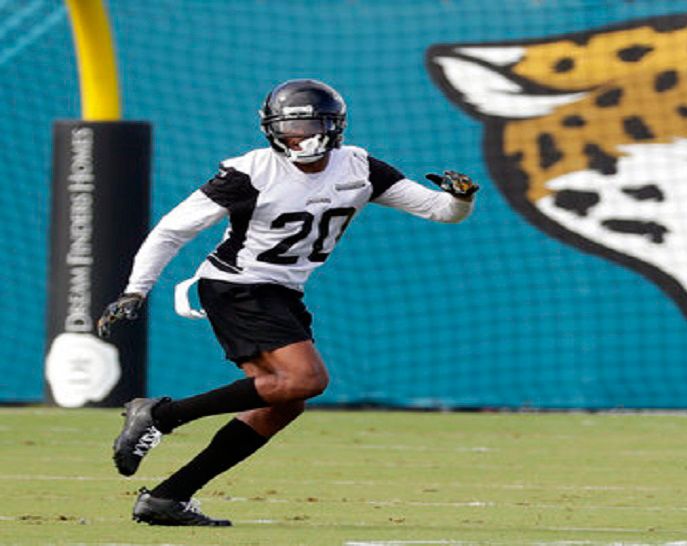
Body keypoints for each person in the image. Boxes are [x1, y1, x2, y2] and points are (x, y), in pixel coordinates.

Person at [96, 78, 478, 526]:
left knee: (284, 403)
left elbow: (439, 210)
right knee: (306, 379)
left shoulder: (358, 166)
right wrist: (137, 288)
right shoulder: (251, 170)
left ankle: (167, 497)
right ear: (271, 129)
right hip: (236, 286)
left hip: (282, 291)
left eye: (314, 125)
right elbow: (172, 229)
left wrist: (462, 198)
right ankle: (161, 415)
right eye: (292, 127)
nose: (303, 136)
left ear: (335, 128)